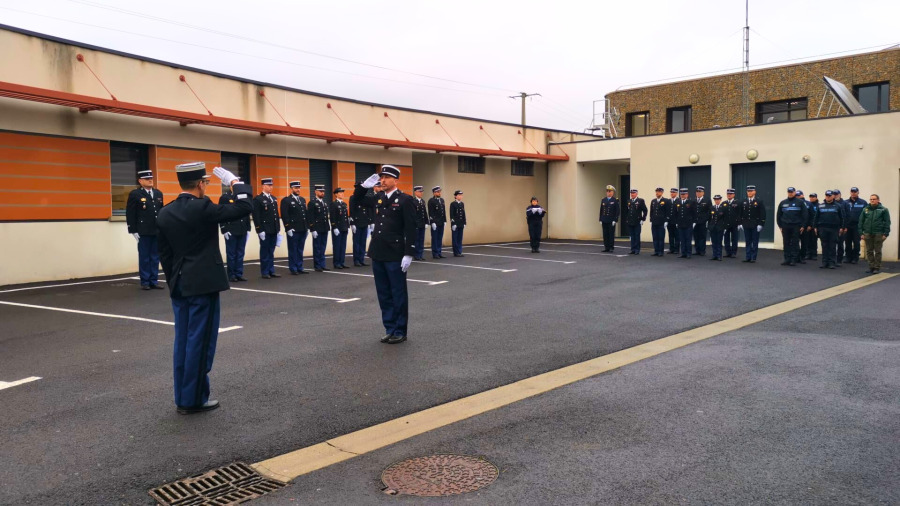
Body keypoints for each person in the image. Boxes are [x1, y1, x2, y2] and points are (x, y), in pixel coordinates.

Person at [157, 163, 252, 414]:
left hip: (180, 284)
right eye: (206, 182)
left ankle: (183, 396)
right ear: (200, 184)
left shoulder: (165, 212)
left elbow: (165, 255)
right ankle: (193, 399)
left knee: (183, 342)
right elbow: (244, 207)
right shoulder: (204, 208)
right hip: (203, 285)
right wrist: (235, 183)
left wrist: (174, 280)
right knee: (201, 342)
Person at [353, 165, 416, 344]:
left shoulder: (405, 200)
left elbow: (411, 228)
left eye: (387, 177)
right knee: (384, 293)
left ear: (396, 180)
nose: (383, 180)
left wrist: (409, 253)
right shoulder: (378, 198)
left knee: (398, 293)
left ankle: (400, 330)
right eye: (382, 177)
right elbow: (356, 201)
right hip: (378, 252)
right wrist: (363, 187)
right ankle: (389, 327)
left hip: (395, 254)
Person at [126, 170, 165, 290]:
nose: (150, 180)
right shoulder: (135, 194)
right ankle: (145, 281)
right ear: (140, 181)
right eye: (147, 179)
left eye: (151, 178)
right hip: (143, 230)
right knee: (144, 257)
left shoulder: (158, 193)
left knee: (155, 256)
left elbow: (161, 211)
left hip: (156, 230)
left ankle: (154, 280)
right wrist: (133, 230)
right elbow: (131, 213)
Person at [219, 181, 250, 282]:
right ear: (231, 186)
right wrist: (224, 229)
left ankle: (239, 273)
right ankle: (231, 274)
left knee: (240, 253)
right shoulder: (225, 198)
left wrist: (248, 228)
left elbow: (246, 213)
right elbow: (221, 214)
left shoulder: (243, 197)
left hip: (242, 229)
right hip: (231, 229)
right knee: (231, 254)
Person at [251, 178, 281, 279]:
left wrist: (278, 228)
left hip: (273, 229)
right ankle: (265, 271)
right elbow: (256, 216)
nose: (271, 187)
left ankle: (271, 270)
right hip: (265, 229)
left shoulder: (273, 198)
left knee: (271, 251)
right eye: (268, 185)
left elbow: (276, 215)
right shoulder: (258, 199)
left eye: (271, 185)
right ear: (263, 186)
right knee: (265, 251)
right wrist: (259, 230)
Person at [280, 181, 309, 275]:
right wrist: (288, 228)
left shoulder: (302, 200)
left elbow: (305, 214)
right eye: (296, 188)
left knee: (300, 249)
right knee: (293, 249)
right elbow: (285, 215)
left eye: (299, 187)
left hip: (302, 228)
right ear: (291, 189)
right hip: (294, 229)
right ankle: (293, 268)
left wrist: (307, 227)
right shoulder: (286, 200)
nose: (298, 189)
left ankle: (300, 267)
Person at [775, 187, 808, 266]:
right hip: (785, 226)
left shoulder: (800, 202)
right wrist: (780, 225)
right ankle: (787, 259)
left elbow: (805, 215)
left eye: (792, 192)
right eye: (789, 192)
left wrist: (803, 225)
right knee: (786, 243)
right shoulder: (783, 202)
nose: (790, 193)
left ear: (795, 192)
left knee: (795, 243)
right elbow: (779, 215)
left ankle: (794, 259)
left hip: (796, 226)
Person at [858, 194, 890, 274]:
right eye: (871, 199)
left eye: (874, 199)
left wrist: (886, 233)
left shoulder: (883, 210)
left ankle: (877, 267)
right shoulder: (865, 209)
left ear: (878, 200)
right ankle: (871, 267)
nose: (872, 200)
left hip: (878, 233)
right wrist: (861, 232)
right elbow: (861, 221)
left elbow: (887, 222)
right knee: (869, 251)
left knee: (878, 251)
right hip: (867, 233)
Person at [814, 190, 846, 269]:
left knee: (832, 246)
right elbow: (816, 217)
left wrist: (842, 227)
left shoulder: (838, 206)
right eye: (826, 195)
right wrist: (815, 227)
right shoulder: (820, 206)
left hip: (834, 229)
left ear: (833, 196)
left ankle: (832, 262)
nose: (828, 197)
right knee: (824, 245)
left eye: (829, 195)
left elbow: (842, 218)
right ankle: (824, 262)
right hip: (823, 228)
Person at [349, 180, 377, 267]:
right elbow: (352, 210)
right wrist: (352, 223)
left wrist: (371, 221)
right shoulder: (353, 197)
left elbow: (369, 210)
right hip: (357, 222)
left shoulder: (366, 197)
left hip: (364, 222)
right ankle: (356, 260)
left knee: (363, 242)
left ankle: (361, 259)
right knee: (357, 242)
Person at [307, 184, 331, 272]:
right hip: (317, 228)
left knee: (323, 247)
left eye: (323, 191)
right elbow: (310, 217)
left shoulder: (324, 203)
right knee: (317, 247)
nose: (322, 193)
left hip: (324, 227)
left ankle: (322, 264)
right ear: (316, 192)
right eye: (320, 191)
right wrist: (312, 229)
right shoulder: (312, 203)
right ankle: (317, 265)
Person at [740, 185, 766, 263]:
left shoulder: (759, 201)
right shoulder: (743, 201)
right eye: (748, 191)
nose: (749, 193)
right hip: (746, 224)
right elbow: (740, 213)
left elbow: (763, 214)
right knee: (748, 241)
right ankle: (748, 257)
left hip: (755, 224)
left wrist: (761, 224)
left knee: (755, 241)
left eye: (751, 191)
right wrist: (740, 223)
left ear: (754, 192)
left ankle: (753, 257)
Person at [844, 187, 867, 264]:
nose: (853, 193)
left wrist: (863, 226)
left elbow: (866, 215)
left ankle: (855, 257)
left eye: (855, 192)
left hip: (857, 226)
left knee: (856, 242)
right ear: (850, 192)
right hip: (847, 225)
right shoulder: (845, 202)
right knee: (847, 242)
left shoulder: (863, 202)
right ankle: (848, 257)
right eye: (852, 192)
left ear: (858, 193)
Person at [622, 189, 648, 255]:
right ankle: (632, 249)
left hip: (637, 221)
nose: (632, 194)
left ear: (636, 194)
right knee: (632, 236)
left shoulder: (640, 201)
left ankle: (637, 249)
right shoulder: (629, 201)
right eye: (631, 193)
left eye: (633, 193)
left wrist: (643, 219)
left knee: (637, 235)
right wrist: (627, 219)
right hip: (630, 221)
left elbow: (645, 210)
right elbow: (627, 211)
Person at [673, 188, 696, 258]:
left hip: (688, 224)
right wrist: (676, 222)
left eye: (684, 194)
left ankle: (689, 253)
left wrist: (694, 222)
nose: (682, 196)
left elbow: (694, 213)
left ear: (687, 195)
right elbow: (676, 213)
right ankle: (683, 253)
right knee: (682, 240)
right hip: (680, 224)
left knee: (688, 239)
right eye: (681, 194)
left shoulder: (691, 202)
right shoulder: (678, 202)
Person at [329, 188, 350, 269]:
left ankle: (342, 262)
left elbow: (345, 216)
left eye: (342, 193)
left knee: (343, 246)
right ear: (336, 194)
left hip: (344, 227)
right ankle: (336, 262)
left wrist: (347, 226)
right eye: (340, 193)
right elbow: (332, 216)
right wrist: (334, 227)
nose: (342, 194)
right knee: (337, 246)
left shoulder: (344, 204)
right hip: (338, 228)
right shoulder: (333, 204)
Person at [649, 187, 669, 256]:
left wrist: (666, 221)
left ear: (662, 192)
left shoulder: (665, 201)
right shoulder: (653, 201)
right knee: (655, 237)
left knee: (660, 237)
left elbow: (667, 212)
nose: (657, 193)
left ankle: (661, 251)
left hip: (661, 222)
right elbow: (651, 211)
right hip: (654, 222)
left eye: (659, 192)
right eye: (656, 191)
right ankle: (656, 251)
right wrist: (650, 220)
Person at [599, 185, 619, 253]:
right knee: (605, 234)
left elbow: (617, 211)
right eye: (607, 191)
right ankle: (606, 247)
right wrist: (600, 219)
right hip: (604, 219)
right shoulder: (603, 200)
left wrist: (615, 220)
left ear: (613, 192)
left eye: (609, 191)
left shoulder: (615, 200)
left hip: (611, 220)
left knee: (611, 234)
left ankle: (611, 247)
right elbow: (601, 210)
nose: (608, 192)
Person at [428, 186, 447, 259]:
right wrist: (432, 222)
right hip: (435, 222)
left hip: (441, 222)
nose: (439, 193)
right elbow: (431, 212)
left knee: (440, 238)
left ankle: (439, 252)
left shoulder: (442, 200)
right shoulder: (431, 201)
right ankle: (435, 253)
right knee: (435, 238)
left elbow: (443, 211)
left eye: (440, 191)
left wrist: (445, 220)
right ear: (434, 193)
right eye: (438, 192)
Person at [722, 188, 741, 258]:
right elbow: (721, 214)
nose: (729, 195)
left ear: (734, 195)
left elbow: (739, 214)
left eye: (731, 194)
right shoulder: (724, 203)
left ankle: (733, 252)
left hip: (734, 224)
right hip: (726, 224)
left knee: (734, 239)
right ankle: (728, 252)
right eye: (728, 194)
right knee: (726, 239)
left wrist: (739, 223)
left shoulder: (737, 203)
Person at [693, 186, 711, 256]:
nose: (698, 193)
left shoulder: (707, 200)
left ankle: (702, 251)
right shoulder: (693, 200)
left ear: (703, 193)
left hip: (703, 221)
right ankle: (697, 250)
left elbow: (709, 211)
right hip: (695, 222)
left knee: (702, 236)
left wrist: (707, 220)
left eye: (700, 192)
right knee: (696, 236)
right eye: (697, 192)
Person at [833, 189, 849, 266]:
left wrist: (845, 227)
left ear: (840, 194)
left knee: (840, 244)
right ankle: (832, 260)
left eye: (837, 194)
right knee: (831, 245)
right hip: (832, 227)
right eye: (834, 194)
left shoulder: (845, 203)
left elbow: (847, 216)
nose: (835, 195)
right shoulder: (830, 203)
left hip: (841, 227)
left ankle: (839, 260)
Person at [412, 186, 428, 260]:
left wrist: (426, 222)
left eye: (422, 192)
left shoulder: (422, 201)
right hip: (416, 224)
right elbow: (413, 214)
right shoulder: (413, 201)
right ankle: (416, 255)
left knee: (421, 239)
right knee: (416, 240)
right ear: (415, 192)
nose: (421, 193)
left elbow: (424, 213)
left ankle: (420, 254)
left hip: (422, 223)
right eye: (419, 192)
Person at [708, 194, 726, 261]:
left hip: (720, 227)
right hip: (713, 227)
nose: (717, 201)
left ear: (720, 200)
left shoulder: (723, 208)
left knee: (719, 242)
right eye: (715, 200)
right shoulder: (711, 208)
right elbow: (709, 218)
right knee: (714, 242)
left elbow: (724, 218)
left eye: (718, 199)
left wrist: (724, 227)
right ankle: (714, 255)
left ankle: (719, 255)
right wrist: (709, 226)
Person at [803, 193, 820, 261]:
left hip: (815, 226)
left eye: (813, 197)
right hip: (808, 226)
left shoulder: (819, 205)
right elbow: (807, 216)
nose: (812, 198)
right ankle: (808, 253)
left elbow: (815, 217)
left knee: (814, 240)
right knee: (807, 240)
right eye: (811, 197)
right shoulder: (808, 205)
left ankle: (814, 254)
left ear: (816, 197)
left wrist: (813, 225)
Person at [450, 190, 467, 257]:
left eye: (461, 195)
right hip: (455, 224)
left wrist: (464, 222)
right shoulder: (453, 204)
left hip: (461, 223)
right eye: (459, 195)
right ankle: (456, 252)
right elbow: (451, 214)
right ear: (455, 196)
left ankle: (460, 251)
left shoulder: (462, 204)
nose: (460, 196)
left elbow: (463, 214)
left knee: (460, 238)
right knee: (455, 238)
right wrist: (453, 223)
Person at [666, 187, 680, 254]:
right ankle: (671, 248)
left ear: (676, 193)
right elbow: (666, 211)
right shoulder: (668, 201)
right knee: (671, 236)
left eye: (673, 192)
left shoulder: (679, 200)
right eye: (671, 192)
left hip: (676, 221)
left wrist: (678, 221)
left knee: (677, 236)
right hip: (670, 221)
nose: (672, 193)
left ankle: (677, 249)